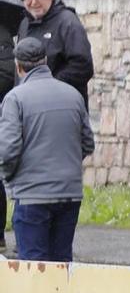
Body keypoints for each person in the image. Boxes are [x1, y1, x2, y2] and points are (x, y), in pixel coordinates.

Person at [0, 36, 91, 262]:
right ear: (46, 61)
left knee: (34, 268)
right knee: (61, 265)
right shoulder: (73, 95)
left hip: (32, 195)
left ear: (18, 66)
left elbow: (8, 151)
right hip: (69, 194)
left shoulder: (14, 99)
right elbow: (88, 143)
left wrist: (10, 179)